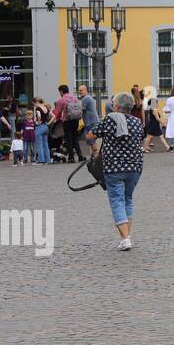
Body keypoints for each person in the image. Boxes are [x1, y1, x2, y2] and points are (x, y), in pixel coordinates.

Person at [89, 92, 146, 250]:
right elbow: (140, 138)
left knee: (117, 201)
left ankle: (125, 239)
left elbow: (90, 135)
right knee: (128, 199)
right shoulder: (137, 121)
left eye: (113, 103)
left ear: (117, 106)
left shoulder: (109, 120)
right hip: (135, 167)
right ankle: (126, 236)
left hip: (113, 168)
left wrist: (96, 147)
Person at [54, 84, 83, 162]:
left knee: (68, 139)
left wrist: (57, 119)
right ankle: (80, 156)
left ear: (61, 91)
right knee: (75, 138)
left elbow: (58, 112)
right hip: (76, 120)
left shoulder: (61, 100)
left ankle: (71, 157)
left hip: (67, 121)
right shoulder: (75, 98)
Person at [78, 84, 100, 154]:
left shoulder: (85, 98)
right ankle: (94, 155)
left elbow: (82, 110)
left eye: (81, 90)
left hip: (90, 122)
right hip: (92, 121)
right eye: (79, 90)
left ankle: (96, 155)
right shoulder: (89, 97)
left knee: (90, 139)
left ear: (85, 90)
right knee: (91, 139)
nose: (80, 92)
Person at [31, 99, 52, 165]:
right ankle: (47, 160)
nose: (34, 105)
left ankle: (41, 160)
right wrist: (48, 123)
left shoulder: (38, 108)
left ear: (36, 102)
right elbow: (53, 116)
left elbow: (39, 115)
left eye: (34, 104)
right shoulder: (46, 107)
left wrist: (38, 122)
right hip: (46, 127)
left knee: (39, 144)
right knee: (45, 144)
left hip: (40, 127)